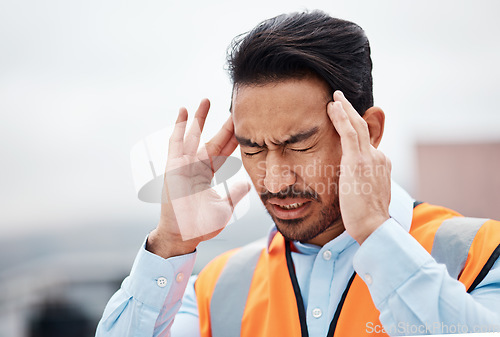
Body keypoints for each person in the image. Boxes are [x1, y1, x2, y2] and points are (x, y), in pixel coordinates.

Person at [96, 10, 500, 337]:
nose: (274, 181)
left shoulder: (481, 256)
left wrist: (378, 234)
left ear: (369, 131)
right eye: (252, 148)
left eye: (298, 145)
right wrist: (171, 243)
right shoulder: (216, 290)